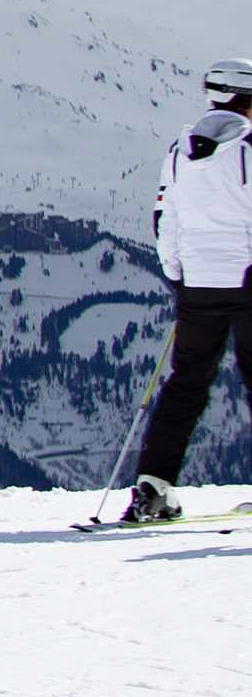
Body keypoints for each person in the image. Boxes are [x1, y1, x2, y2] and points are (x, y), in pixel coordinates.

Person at [128, 58, 252, 522]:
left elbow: (165, 218)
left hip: (198, 284)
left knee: (186, 384)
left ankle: (152, 490)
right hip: (247, 276)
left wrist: (179, 275)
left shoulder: (181, 150)